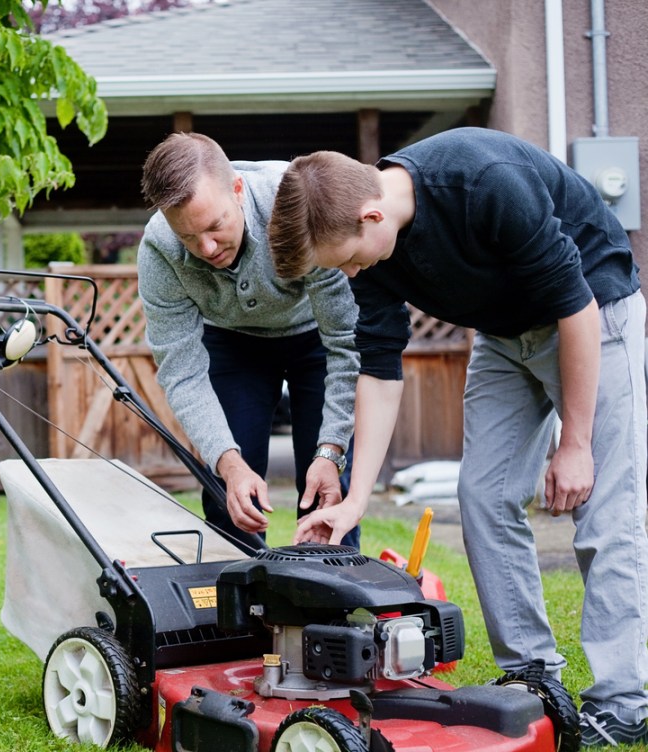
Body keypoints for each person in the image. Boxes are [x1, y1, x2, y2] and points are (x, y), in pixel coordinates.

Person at [268, 126, 648, 746]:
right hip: (504, 335)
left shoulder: (484, 182)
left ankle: (621, 704)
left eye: (347, 260)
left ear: (371, 215)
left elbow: (574, 306)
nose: (350, 273)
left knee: (605, 512)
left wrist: (574, 443)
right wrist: (355, 499)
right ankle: (530, 674)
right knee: (484, 496)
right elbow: (380, 369)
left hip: (593, 315)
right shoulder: (374, 247)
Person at [137, 132, 360, 547]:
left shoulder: (296, 203)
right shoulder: (158, 249)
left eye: (214, 226)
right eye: (188, 236)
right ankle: (239, 605)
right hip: (233, 343)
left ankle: (334, 600)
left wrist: (330, 451)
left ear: (237, 190)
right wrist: (228, 463)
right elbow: (182, 372)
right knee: (227, 494)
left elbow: (346, 343)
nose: (205, 247)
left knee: (326, 486)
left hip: (316, 337)